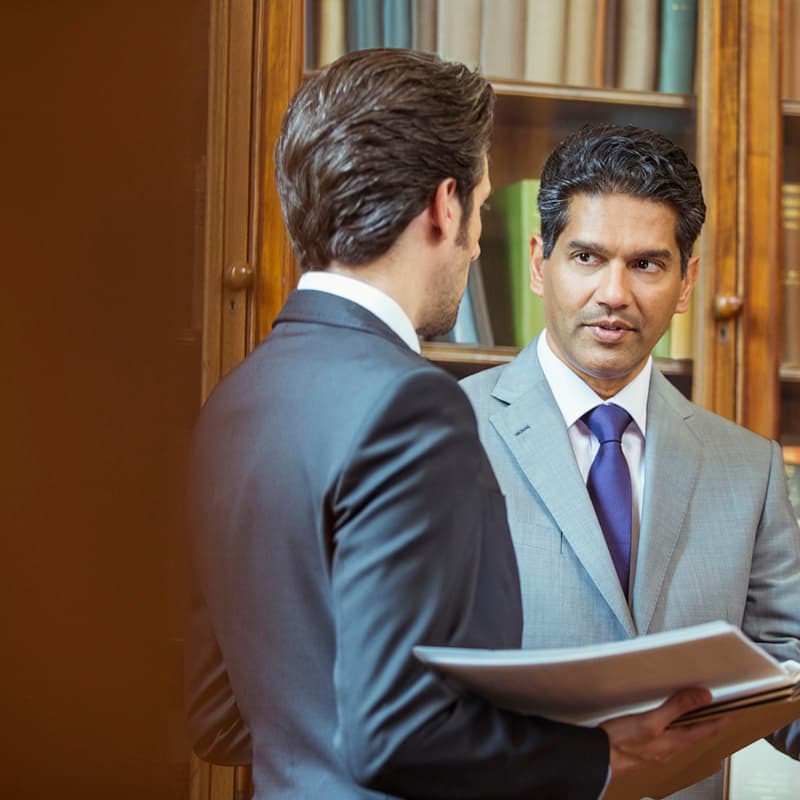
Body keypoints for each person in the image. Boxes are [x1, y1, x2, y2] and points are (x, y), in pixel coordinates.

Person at [185, 53, 724, 799]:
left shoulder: (238, 397)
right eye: (479, 208)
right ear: (445, 206)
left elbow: (213, 712)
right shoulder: (412, 404)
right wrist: (606, 761)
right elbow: (398, 733)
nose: (476, 242)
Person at [460, 122, 800, 799]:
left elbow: (786, 682)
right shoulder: (446, 436)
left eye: (646, 263)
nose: (614, 293)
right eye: (587, 257)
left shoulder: (748, 469)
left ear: (686, 280)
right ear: (538, 263)